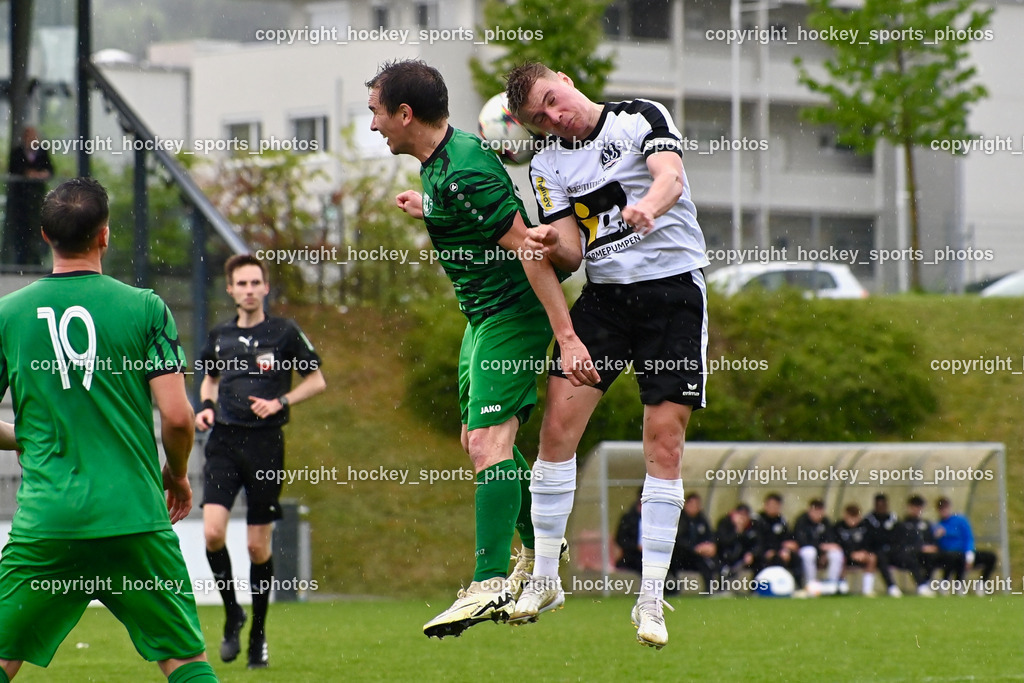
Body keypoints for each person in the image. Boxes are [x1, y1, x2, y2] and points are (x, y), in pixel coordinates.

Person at [365, 59, 597, 640]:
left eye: (375, 113)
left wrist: (565, 335)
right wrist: (430, 209)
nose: (373, 127)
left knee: (493, 444)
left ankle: (490, 581)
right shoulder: (440, 165)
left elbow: (528, 249)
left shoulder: (464, 171)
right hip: (481, 319)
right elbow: (477, 220)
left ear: (405, 113)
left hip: (510, 316)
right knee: (476, 441)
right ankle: (542, 539)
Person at [505, 62, 711, 649]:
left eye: (552, 100)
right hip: (606, 300)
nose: (554, 117)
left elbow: (668, 175)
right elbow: (570, 252)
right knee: (555, 431)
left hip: (674, 292)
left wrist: (651, 205)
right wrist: (549, 241)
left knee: (663, 440)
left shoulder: (640, 116)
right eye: (538, 118)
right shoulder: (546, 165)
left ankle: (650, 598)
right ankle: (545, 576)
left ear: (566, 80)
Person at [0, 177, 219, 681]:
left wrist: (24, 436)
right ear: (105, 235)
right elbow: (179, 416)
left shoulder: (9, 314)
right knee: (183, 658)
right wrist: (179, 474)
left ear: (43, 236)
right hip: (134, 519)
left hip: (49, 524)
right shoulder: (146, 309)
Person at [194, 254, 326, 668]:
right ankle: (233, 613)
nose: (249, 290)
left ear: (265, 288)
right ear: (230, 289)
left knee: (256, 545)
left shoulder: (283, 332)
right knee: (213, 534)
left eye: (255, 283)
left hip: (265, 445)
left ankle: (258, 637)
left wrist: (280, 401)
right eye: (241, 284)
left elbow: (317, 380)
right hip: (223, 443)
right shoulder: (220, 335)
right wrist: (206, 405)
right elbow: (210, 376)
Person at [3, 126, 54, 266]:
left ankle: (37, 260)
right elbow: (13, 169)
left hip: (37, 199)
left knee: (37, 230)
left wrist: (42, 174)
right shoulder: (17, 153)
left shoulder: (42, 152)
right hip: (20, 199)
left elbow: (50, 169)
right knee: (21, 230)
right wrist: (27, 173)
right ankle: (21, 261)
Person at [933, 497, 998, 594]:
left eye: (945, 508)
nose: (944, 511)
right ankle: (951, 583)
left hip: (965, 552)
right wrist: (938, 536)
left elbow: (968, 537)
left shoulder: (961, 521)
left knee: (991, 557)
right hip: (950, 556)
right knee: (953, 557)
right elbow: (938, 545)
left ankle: (981, 583)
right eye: (941, 509)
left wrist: (969, 554)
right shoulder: (937, 526)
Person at [793, 498, 843, 595]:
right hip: (804, 552)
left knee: (836, 553)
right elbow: (801, 541)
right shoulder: (801, 521)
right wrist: (820, 547)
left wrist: (823, 553)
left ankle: (831, 584)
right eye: (815, 511)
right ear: (809, 510)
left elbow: (831, 540)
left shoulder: (825, 522)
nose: (817, 514)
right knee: (809, 552)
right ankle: (810, 584)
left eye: (820, 511)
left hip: (822, 553)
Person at [892, 495, 938, 597]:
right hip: (905, 555)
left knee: (934, 557)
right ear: (908, 507)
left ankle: (925, 583)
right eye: (914, 506)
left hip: (922, 554)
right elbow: (899, 545)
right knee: (911, 559)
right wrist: (919, 548)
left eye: (919, 507)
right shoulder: (901, 524)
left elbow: (932, 541)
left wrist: (932, 546)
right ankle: (921, 586)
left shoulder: (926, 524)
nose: (916, 510)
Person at [671, 493, 718, 593]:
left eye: (697, 504)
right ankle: (673, 590)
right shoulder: (679, 519)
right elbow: (678, 539)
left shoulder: (702, 519)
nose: (695, 507)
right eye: (692, 504)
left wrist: (710, 545)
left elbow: (709, 535)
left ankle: (711, 591)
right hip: (680, 555)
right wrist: (694, 548)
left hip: (697, 556)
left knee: (709, 564)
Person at [754, 493, 801, 585]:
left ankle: (797, 585)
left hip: (779, 551)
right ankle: (758, 586)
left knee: (795, 558)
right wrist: (767, 550)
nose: (773, 508)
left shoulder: (782, 521)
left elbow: (787, 538)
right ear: (765, 505)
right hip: (761, 551)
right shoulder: (758, 520)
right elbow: (758, 540)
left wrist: (786, 549)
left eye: (776, 505)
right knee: (768, 559)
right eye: (771, 505)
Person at [833, 503, 878, 596]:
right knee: (839, 558)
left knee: (872, 558)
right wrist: (850, 554)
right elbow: (837, 545)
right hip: (846, 556)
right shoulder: (838, 527)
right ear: (845, 515)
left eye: (855, 517)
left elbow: (871, 542)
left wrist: (864, 552)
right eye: (850, 517)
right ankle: (841, 587)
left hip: (861, 556)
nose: (853, 521)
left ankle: (867, 590)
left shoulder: (866, 526)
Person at [864, 493, 903, 597]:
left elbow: (899, 537)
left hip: (893, 552)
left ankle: (922, 585)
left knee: (910, 557)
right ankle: (891, 586)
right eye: (879, 505)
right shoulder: (869, 520)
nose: (881, 508)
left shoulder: (894, 518)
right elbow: (868, 539)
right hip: (876, 552)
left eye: (883, 505)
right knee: (880, 558)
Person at [716, 504, 762, 582]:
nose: (742, 518)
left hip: (744, 558)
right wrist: (738, 531)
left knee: (760, 563)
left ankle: (754, 588)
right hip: (726, 555)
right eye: (740, 515)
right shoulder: (725, 523)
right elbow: (723, 541)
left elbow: (758, 543)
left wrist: (752, 553)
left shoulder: (754, 526)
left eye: (745, 515)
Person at [615, 488, 644, 574]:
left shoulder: (656, 519)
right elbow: (620, 539)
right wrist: (636, 546)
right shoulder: (628, 518)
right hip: (633, 556)